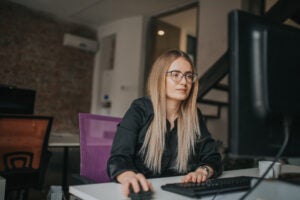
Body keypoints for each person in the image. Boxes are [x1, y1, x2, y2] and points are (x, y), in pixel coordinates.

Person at [107, 49, 222, 197]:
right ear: (160, 78)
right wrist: (128, 175)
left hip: (179, 194)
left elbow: (213, 157)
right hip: (143, 194)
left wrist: (203, 171)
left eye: (188, 76)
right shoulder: (140, 109)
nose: (184, 81)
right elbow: (119, 157)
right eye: (175, 75)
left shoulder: (194, 116)